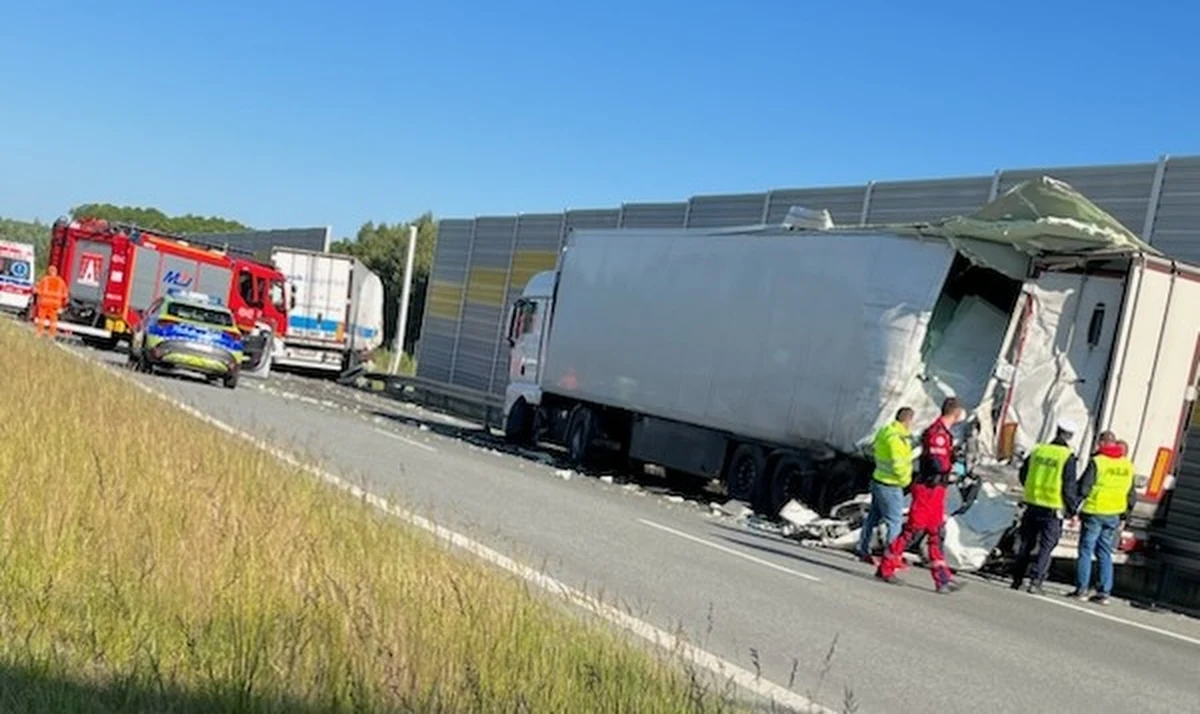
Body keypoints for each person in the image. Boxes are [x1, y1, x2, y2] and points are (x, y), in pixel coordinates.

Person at [877, 397, 966, 593]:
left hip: (937, 489)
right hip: (928, 488)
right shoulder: (938, 433)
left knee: (935, 532)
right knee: (913, 529)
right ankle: (886, 567)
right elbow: (937, 462)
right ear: (956, 413)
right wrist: (950, 466)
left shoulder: (944, 434)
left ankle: (942, 578)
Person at [1010, 419, 1080, 595]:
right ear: (1070, 436)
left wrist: (1031, 488)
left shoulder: (1038, 450)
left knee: (1026, 542)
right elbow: (1069, 486)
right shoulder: (1067, 457)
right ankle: (1035, 581)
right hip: (1053, 508)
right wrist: (1072, 509)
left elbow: (1023, 473)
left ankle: (1017, 579)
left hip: (1033, 503)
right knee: (1046, 546)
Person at [1068, 432, 1136, 605]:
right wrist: (1125, 515)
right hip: (1113, 514)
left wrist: (1074, 508)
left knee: (1086, 549)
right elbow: (1131, 494)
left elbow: (1084, 487)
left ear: (1102, 443)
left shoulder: (1098, 462)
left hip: (1095, 511)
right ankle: (1104, 592)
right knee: (1105, 552)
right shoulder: (1127, 465)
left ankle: (1082, 589)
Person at [855, 407, 915, 563]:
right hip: (891, 484)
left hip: (879, 479)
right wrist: (906, 481)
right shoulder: (897, 438)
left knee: (873, 517)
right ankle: (892, 556)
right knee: (894, 521)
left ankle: (863, 548)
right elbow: (898, 463)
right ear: (908, 420)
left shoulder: (886, 431)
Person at [33, 265, 69, 338]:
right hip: (55, 304)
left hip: (44, 303)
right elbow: (65, 295)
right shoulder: (61, 282)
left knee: (41, 319)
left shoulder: (44, 280)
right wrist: (63, 305)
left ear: (48, 272)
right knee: (53, 320)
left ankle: (39, 334)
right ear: (56, 272)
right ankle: (51, 335)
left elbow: (37, 291)